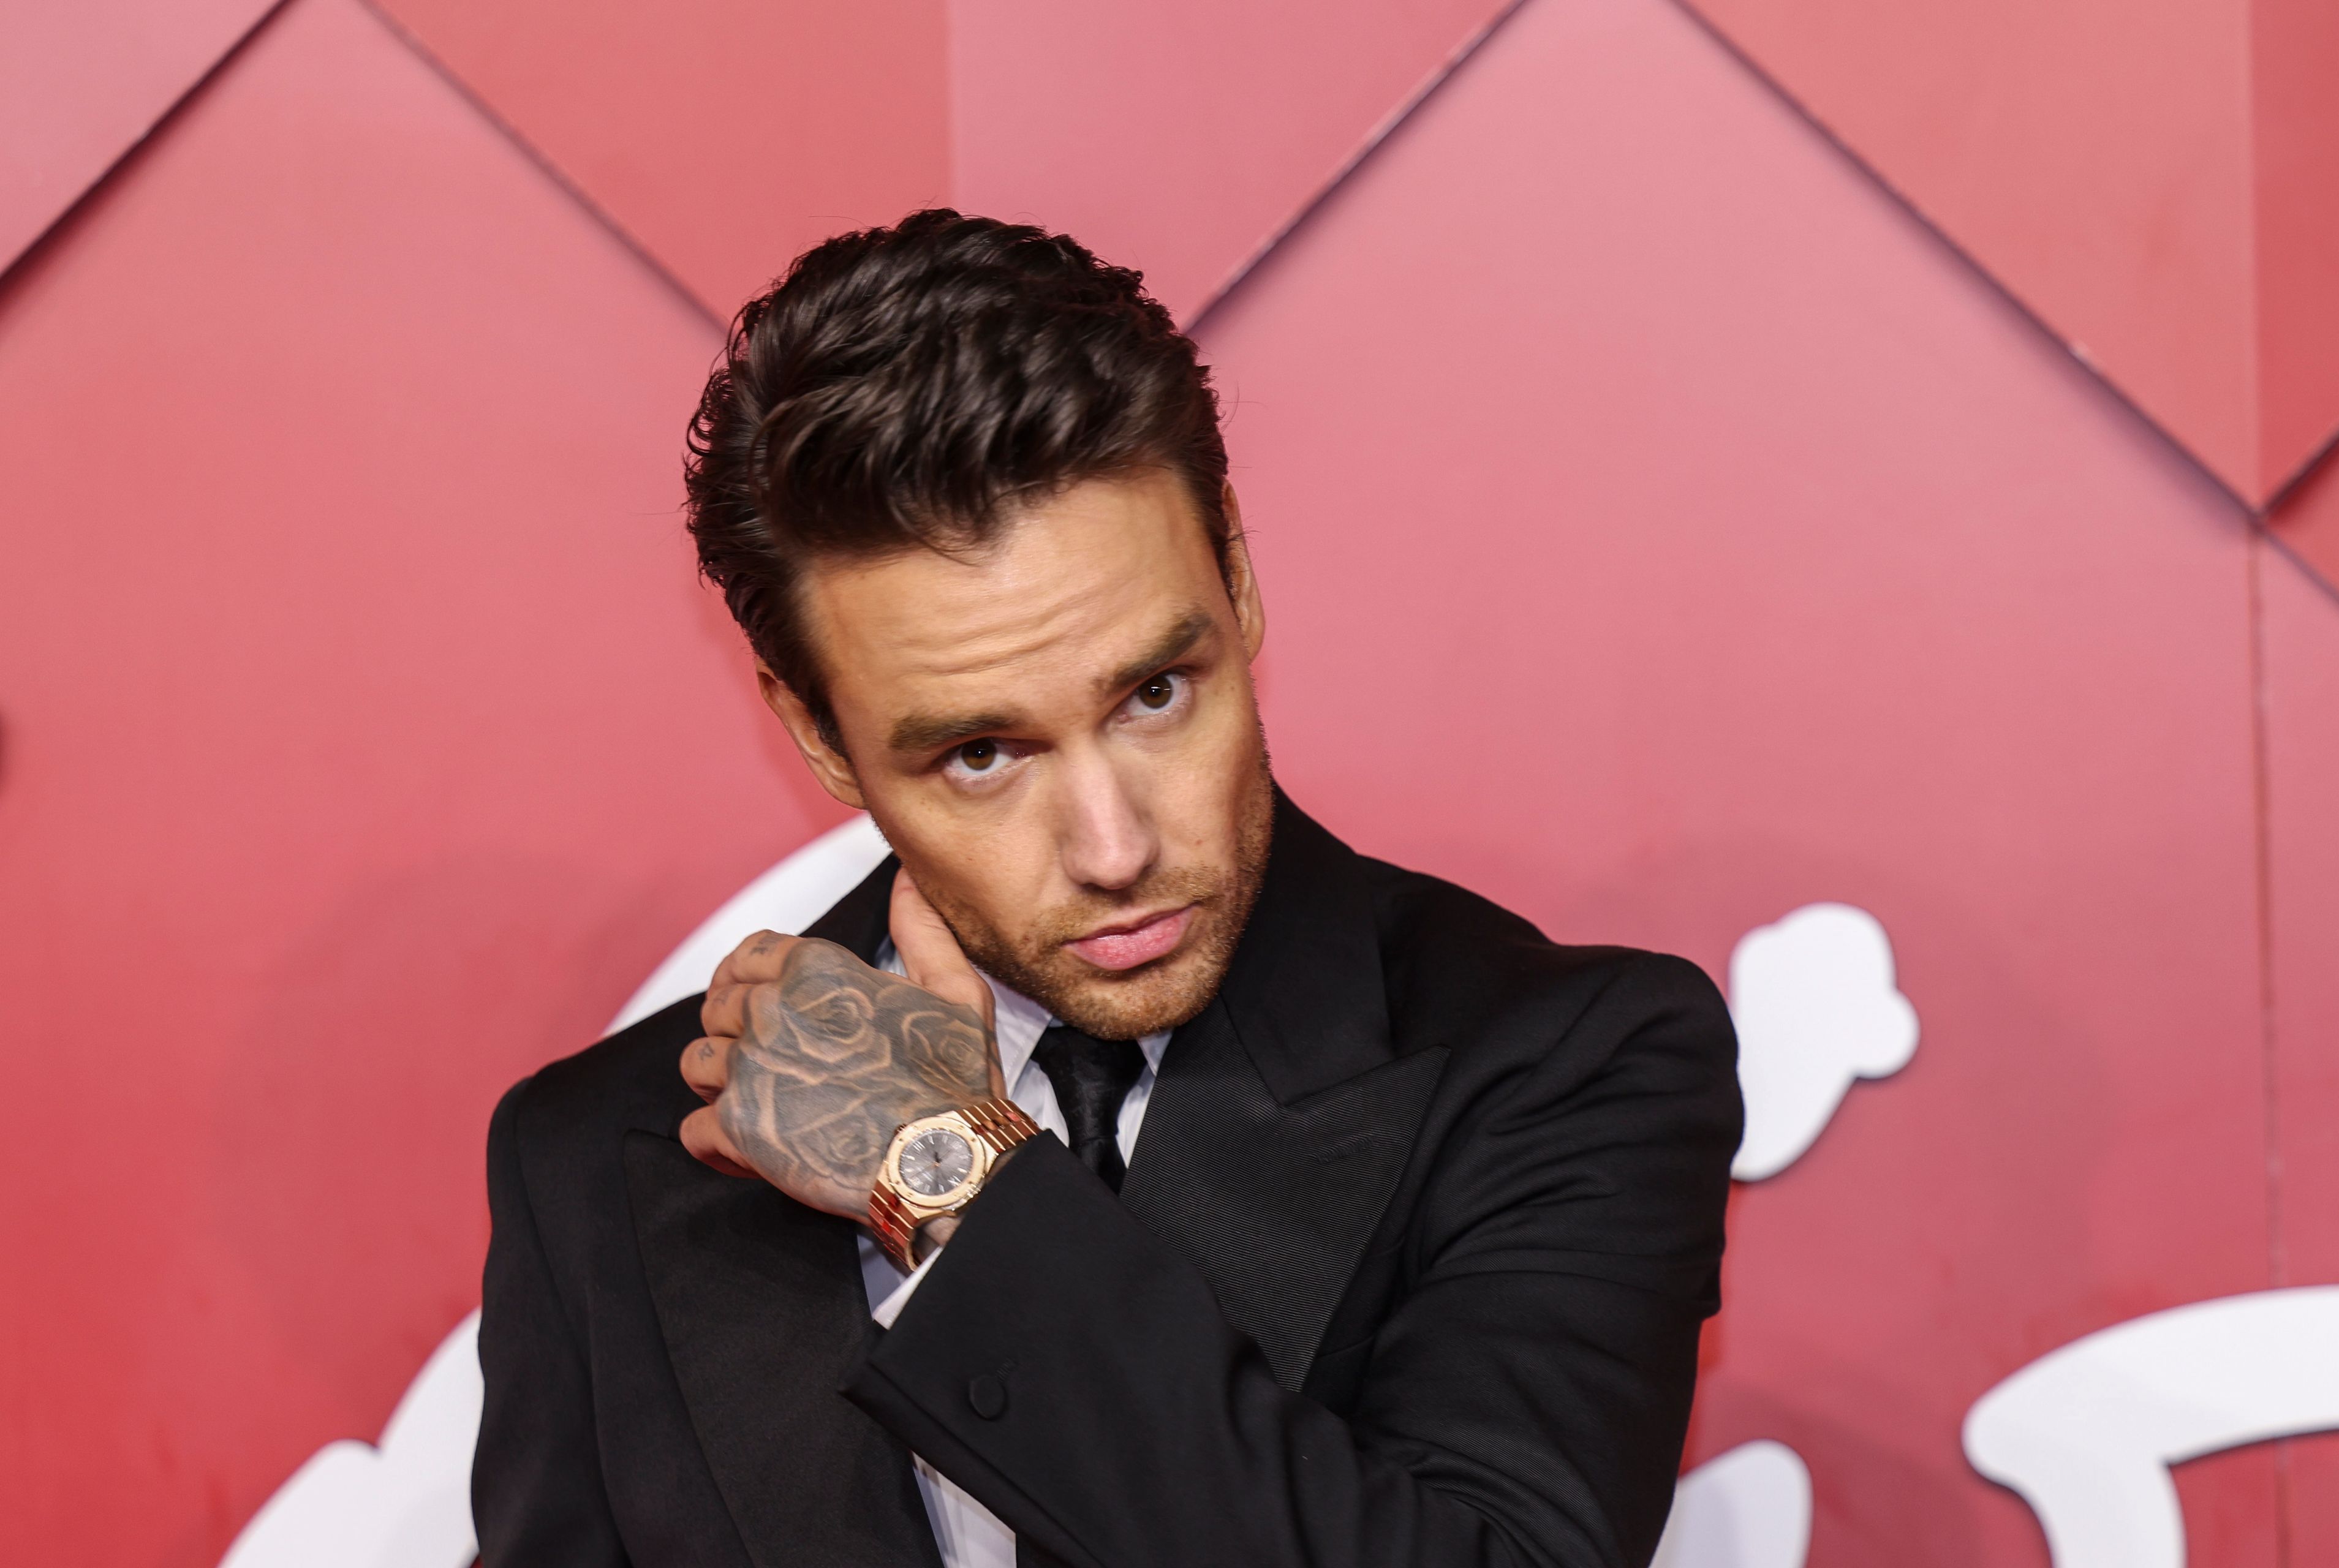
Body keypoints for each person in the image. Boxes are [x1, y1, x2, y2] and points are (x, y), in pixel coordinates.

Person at [471, 209, 1741, 1568]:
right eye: (979, 752)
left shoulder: (1564, 1062)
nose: (1113, 843)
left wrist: (944, 1176)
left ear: (1238, 580)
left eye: (1153, 693)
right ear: (820, 736)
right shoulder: (599, 1161)